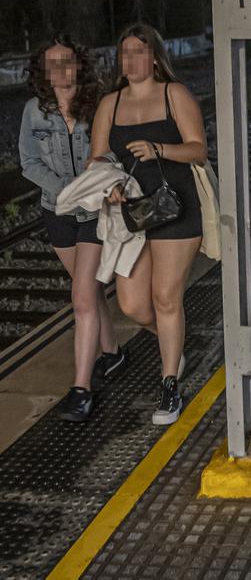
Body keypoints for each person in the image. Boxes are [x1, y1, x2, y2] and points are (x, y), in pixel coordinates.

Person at [88, 23, 206, 425]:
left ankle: (169, 384)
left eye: (139, 52)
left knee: (166, 298)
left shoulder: (175, 94)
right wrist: (109, 186)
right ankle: (173, 345)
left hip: (176, 207)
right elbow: (98, 159)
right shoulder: (111, 104)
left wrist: (159, 149)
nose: (132, 60)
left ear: (154, 57)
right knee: (134, 305)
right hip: (133, 215)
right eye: (125, 53)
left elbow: (198, 150)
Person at [19, 35, 123, 422]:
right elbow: (29, 163)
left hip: (94, 214)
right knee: (90, 292)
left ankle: (81, 390)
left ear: (79, 64)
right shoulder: (34, 111)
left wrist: (91, 188)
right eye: (52, 64)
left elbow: (115, 151)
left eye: (67, 61)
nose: (60, 70)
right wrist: (68, 190)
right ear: (43, 71)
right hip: (57, 212)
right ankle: (112, 354)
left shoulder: (99, 105)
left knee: (81, 299)